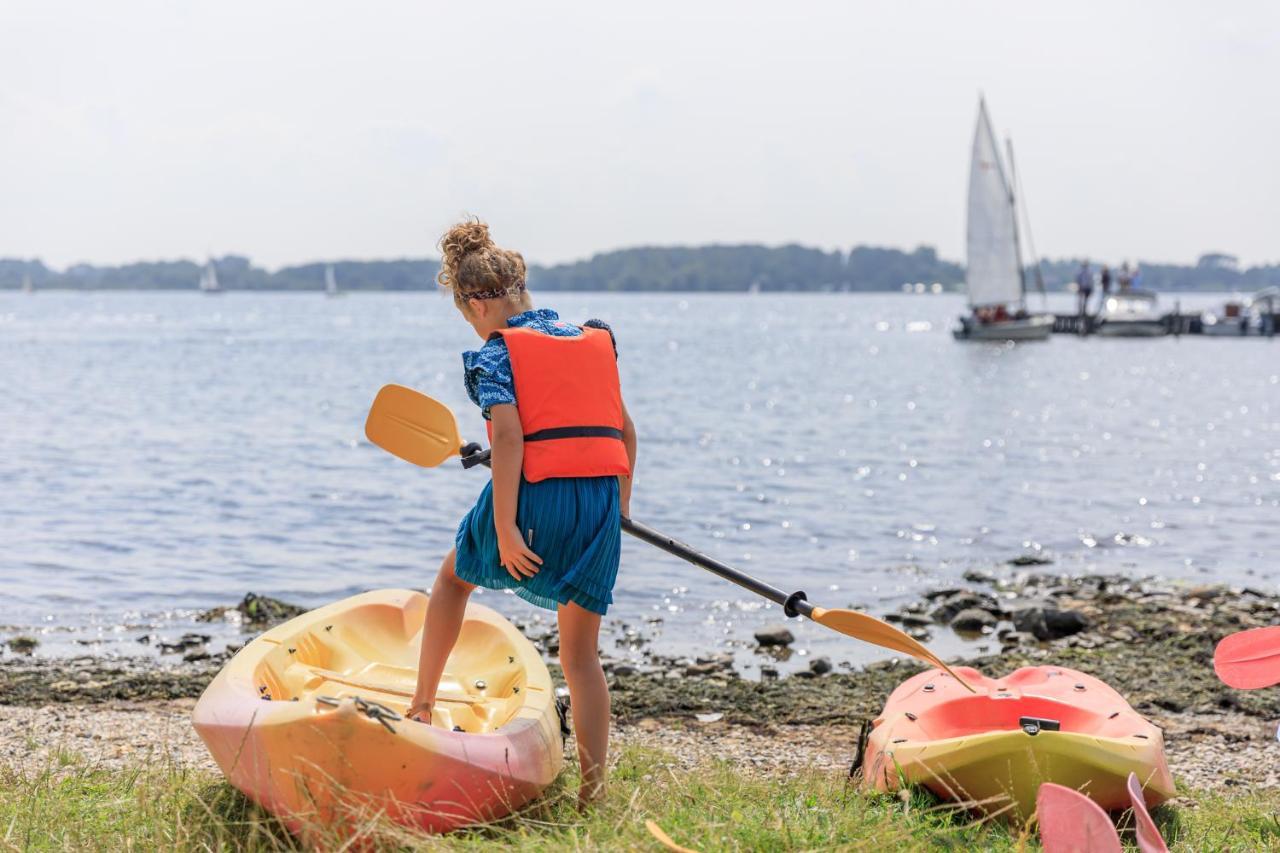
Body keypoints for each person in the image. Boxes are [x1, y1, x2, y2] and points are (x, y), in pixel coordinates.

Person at [407, 218, 638, 809]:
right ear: (523, 288)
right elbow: (626, 431)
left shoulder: (494, 354)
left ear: (475, 304)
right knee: (581, 656)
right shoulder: (592, 337)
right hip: (600, 504)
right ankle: (593, 790)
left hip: (535, 495)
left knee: (452, 580)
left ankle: (422, 704)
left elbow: (507, 439)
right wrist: (620, 507)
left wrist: (506, 526)